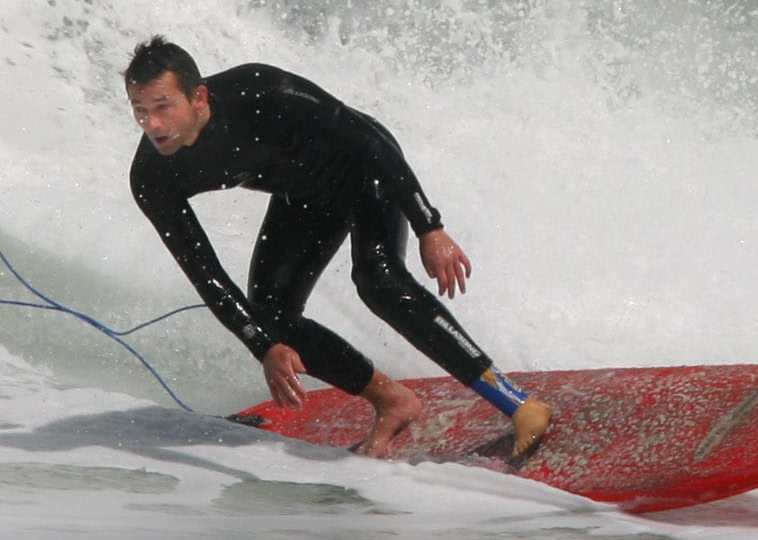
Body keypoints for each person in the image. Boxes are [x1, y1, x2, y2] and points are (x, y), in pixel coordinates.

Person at [123, 36, 551, 461]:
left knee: (379, 282)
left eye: (163, 107)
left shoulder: (259, 92)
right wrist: (263, 346)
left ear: (198, 97)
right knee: (271, 315)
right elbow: (205, 272)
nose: (152, 124)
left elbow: (368, 140)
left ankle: (517, 403)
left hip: (366, 171)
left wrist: (429, 226)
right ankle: (391, 400)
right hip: (304, 198)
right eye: (140, 110)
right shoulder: (152, 177)